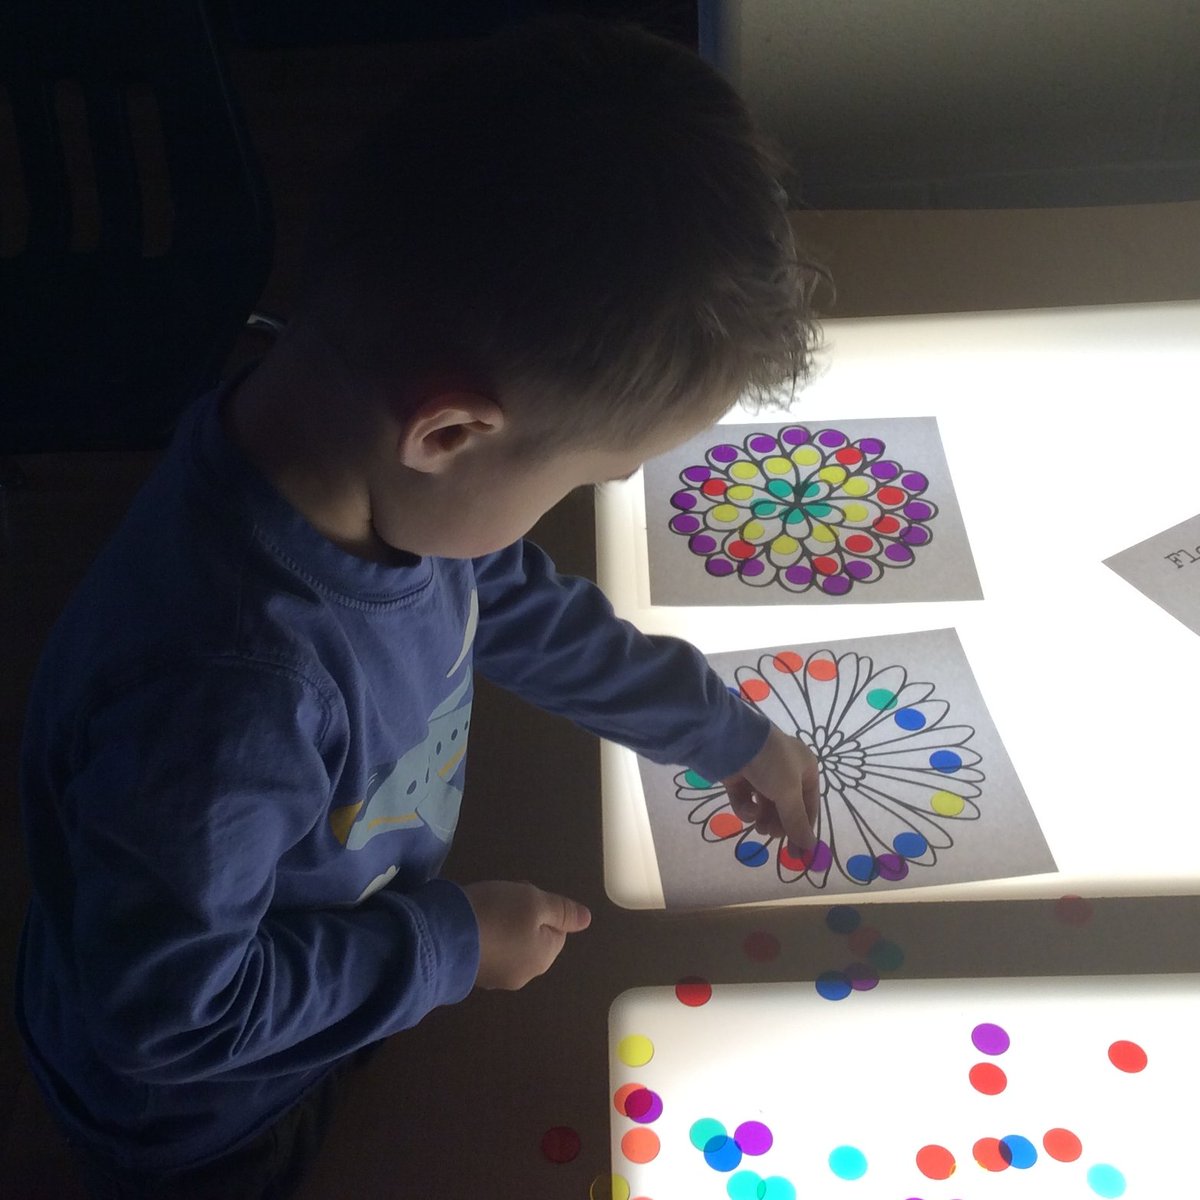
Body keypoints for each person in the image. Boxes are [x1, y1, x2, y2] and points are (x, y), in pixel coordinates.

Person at [14, 15, 828, 1200]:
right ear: (449, 432)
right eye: (575, 482)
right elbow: (168, 1021)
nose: (559, 514)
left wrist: (717, 729)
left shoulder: (344, 453)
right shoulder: (234, 696)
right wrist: (451, 946)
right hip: (204, 1114)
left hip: (312, 948)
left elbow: (502, 597)